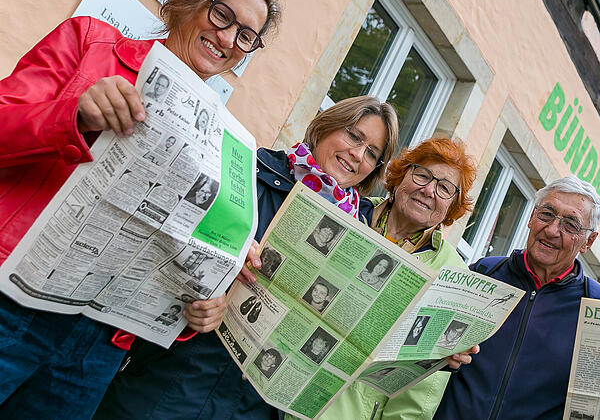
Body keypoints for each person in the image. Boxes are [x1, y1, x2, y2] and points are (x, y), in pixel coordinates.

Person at [0, 0, 278, 416]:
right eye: (222, 14)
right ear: (186, 2)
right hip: (12, 299)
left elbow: (180, 254)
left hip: (100, 347)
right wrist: (73, 116)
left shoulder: (224, 147)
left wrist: (208, 300)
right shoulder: (91, 42)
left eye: (246, 36)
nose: (227, 39)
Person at [97, 95, 399, 418]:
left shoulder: (358, 236)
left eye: (372, 154)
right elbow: (163, 248)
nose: (357, 155)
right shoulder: (250, 170)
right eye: (354, 136)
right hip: (172, 385)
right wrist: (218, 271)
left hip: (254, 408)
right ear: (327, 126)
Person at [293, 137, 481, 420]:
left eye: (444, 188)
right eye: (422, 174)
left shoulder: (452, 275)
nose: (429, 189)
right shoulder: (345, 210)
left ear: (451, 208)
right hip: (275, 388)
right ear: (400, 176)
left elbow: (419, 398)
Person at [435, 174, 600, 420]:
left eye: (570, 225)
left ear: (588, 241)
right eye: (546, 214)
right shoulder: (484, 272)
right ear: (531, 217)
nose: (552, 230)